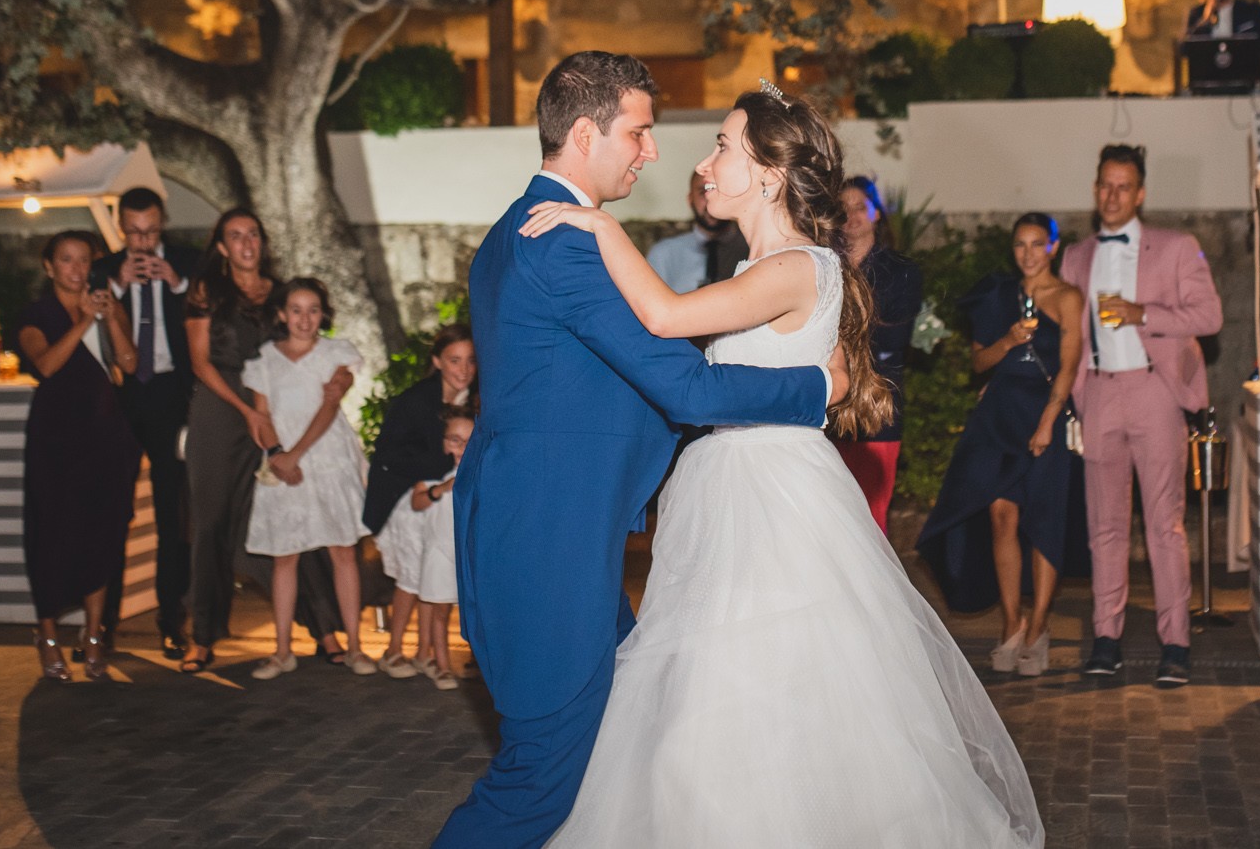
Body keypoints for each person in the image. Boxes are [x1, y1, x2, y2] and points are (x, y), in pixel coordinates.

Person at [518, 82, 1041, 848]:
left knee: (743, 693)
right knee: (723, 695)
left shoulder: (796, 266)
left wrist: (596, 223)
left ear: (766, 172)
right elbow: (772, 363)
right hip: (745, 485)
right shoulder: (782, 266)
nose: (704, 163)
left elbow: (664, 317)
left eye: (723, 145)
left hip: (767, 502)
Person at [433, 51, 844, 848]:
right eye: (641, 130)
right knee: (543, 776)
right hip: (550, 538)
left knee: (628, 744)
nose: (653, 151)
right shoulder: (564, 243)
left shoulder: (531, 228)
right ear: (586, 133)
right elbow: (684, 387)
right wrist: (815, 390)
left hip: (557, 528)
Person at [1057, 143, 1223, 687]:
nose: (1111, 195)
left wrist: (1141, 313)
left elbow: (1210, 315)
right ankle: (1106, 637)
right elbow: (1067, 334)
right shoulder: (1076, 256)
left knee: (1164, 525)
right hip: (1100, 392)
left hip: (1155, 393)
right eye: (1104, 185)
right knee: (1103, 527)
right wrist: (1078, 397)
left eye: (1123, 186)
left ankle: (1174, 644)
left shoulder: (1176, 247)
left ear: (1141, 193)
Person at [180, 210, 351, 675]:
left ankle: (325, 630)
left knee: (301, 514)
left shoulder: (278, 293)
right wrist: (246, 411)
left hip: (280, 412)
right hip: (222, 411)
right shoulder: (205, 292)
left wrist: (336, 379)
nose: (245, 243)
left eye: (252, 234)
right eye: (234, 236)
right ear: (221, 247)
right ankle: (203, 636)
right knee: (212, 523)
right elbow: (200, 362)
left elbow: (308, 342)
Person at [919, 213, 1088, 676]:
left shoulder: (1069, 298)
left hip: (1045, 414)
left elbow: (1070, 366)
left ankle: (1039, 628)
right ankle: (1011, 624)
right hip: (999, 415)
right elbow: (979, 363)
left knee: (1044, 522)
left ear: (1053, 247)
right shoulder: (997, 296)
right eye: (1020, 245)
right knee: (1000, 516)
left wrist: (1048, 421)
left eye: (1038, 244)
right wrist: (1009, 339)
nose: (1029, 254)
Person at [15, 231, 142, 683]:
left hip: (105, 435)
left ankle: (92, 635)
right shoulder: (36, 315)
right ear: (49, 267)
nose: (76, 269)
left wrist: (108, 319)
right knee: (50, 534)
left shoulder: (107, 304)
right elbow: (46, 365)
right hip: (56, 439)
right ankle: (47, 633)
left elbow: (128, 363)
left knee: (103, 534)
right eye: (66, 261)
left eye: (84, 260)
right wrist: (84, 322)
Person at [243, 278, 375, 680]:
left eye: (313, 309)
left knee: (342, 551)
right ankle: (283, 651)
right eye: (296, 309)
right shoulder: (264, 359)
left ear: (324, 314)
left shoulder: (337, 353)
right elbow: (260, 416)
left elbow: (330, 403)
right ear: (282, 314)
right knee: (286, 555)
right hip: (284, 462)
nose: (305, 318)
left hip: (328, 459)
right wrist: (278, 456)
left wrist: (295, 455)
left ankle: (354, 646)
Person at [93, 186, 197, 661]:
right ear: (120, 228)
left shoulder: (187, 263)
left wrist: (176, 283)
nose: (143, 241)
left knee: (170, 511)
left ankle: (171, 619)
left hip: (172, 397)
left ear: (163, 224)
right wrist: (116, 285)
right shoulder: (102, 268)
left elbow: (201, 316)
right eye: (134, 232)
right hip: (119, 398)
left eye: (152, 231)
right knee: (112, 510)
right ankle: (104, 624)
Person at [368, 324, 475, 678]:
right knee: (413, 575)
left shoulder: (475, 400)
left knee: (437, 574)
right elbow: (389, 456)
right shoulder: (416, 401)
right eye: (455, 360)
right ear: (437, 361)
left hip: (446, 497)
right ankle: (394, 649)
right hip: (406, 496)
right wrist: (446, 465)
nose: (464, 369)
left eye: (471, 361)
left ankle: (425, 652)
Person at [834, 175, 922, 532]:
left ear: (876, 214)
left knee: (872, 516)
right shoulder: (823, 265)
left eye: (861, 207)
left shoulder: (901, 271)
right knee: (831, 514)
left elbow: (894, 338)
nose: (852, 216)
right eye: (844, 209)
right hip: (828, 407)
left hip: (876, 405)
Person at [386, 410, 473, 692]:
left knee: (471, 609)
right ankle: (443, 665)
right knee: (439, 610)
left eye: (468, 441)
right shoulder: (432, 473)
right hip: (438, 550)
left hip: (465, 551)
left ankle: (480, 663)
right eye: (455, 440)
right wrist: (442, 489)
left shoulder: (479, 472)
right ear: (443, 442)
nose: (461, 448)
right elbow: (418, 502)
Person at [644, 171, 748, 294]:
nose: (711, 200)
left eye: (719, 191)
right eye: (703, 192)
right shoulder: (664, 253)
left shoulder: (752, 248)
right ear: (690, 199)